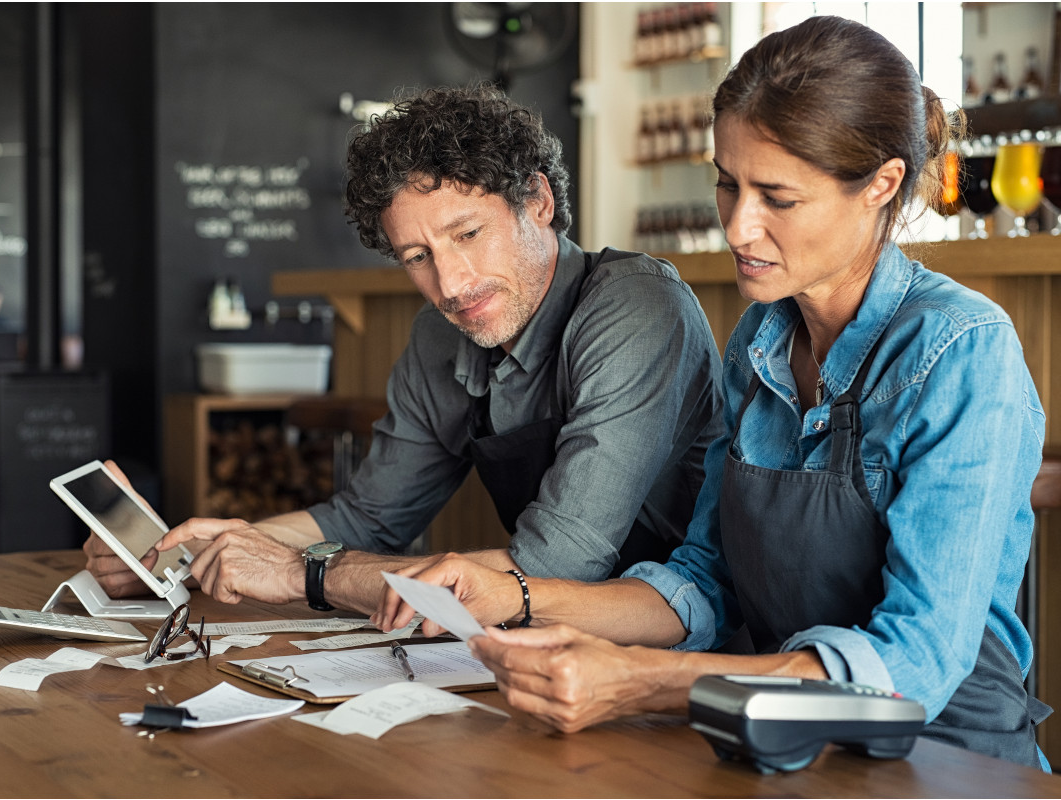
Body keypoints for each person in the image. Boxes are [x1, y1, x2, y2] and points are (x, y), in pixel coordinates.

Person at [374, 16, 1052, 770]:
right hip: (780, 747)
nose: (736, 225)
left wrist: (647, 682)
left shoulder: (961, 351)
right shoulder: (761, 342)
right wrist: (513, 594)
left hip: (946, 763)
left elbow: (915, 665)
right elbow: (705, 582)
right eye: (728, 184)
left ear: (881, 186)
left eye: (777, 197)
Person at [84, 84, 725, 615]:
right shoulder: (439, 335)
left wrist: (304, 575)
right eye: (417, 257)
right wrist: (189, 552)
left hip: (687, 641)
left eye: (468, 233)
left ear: (537, 201)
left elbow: (555, 565)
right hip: (551, 647)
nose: (451, 285)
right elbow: (368, 516)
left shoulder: (636, 308)